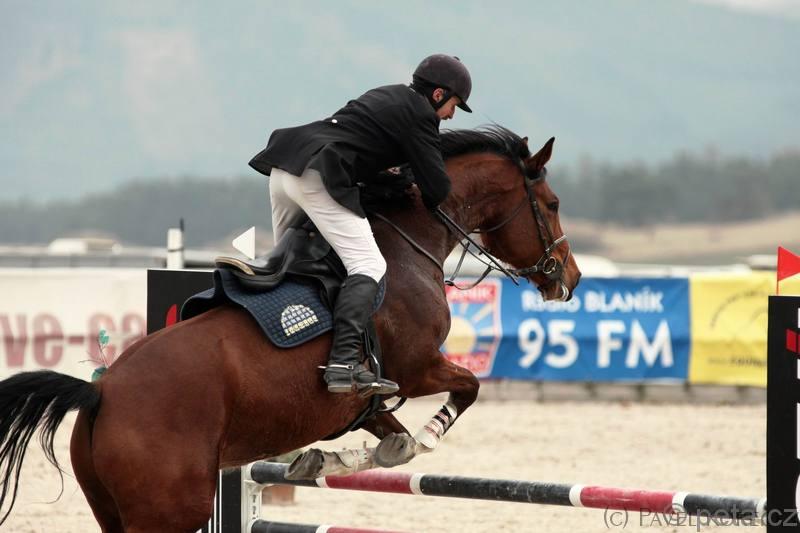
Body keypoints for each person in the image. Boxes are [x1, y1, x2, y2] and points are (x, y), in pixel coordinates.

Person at [248, 54, 472, 397]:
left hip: (285, 170)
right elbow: (437, 190)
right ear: (438, 94)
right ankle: (343, 362)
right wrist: (406, 178)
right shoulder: (420, 114)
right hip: (316, 176)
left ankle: (279, 347)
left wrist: (391, 175)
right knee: (368, 265)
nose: (451, 115)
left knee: (292, 265)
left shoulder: (387, 93)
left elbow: (362, 152)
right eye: (454, 105)